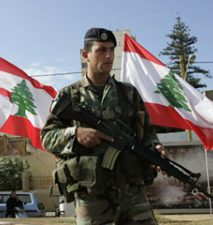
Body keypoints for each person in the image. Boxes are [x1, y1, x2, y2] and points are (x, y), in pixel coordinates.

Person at [41, 27, 166, 225]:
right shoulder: (69, 95)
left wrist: (156, 147)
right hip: (92, 196)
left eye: (111, 50)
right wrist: (75, 133)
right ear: (85, 55)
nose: (108, 55)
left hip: (132, 190)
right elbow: (47, 137)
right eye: (101, 50)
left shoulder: (128, 93)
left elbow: (147, 133)